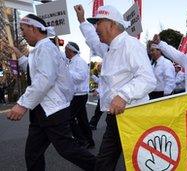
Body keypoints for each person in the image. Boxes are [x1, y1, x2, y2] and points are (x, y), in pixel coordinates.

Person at [5, 14, 96, 171]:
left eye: (23, 29)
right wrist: (19, 54)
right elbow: (33, 68)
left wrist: (22, 104)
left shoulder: (46, 48)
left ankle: (101, 167)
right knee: (33, 153)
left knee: (68, 150)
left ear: (33, 28)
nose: (22, 33)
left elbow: (45, 78)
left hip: (52, 111)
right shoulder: (41, 48)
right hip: (42, 111)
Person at [74, 4, 156, 170]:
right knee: (104, 163)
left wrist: (123, 95)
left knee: (143, 162)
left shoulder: (131, 45)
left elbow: (148, 78)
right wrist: (82, 21)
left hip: (134, 116)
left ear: (111, 24)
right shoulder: (109, 48)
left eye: (98, 22)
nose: (95, 27)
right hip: (115, 118)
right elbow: (93, 39)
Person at [65, 41, 94, 148]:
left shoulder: (79, 62)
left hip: (79, 95)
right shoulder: (71, 62)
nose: (64, 52)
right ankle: (89, 141)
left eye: (65, 50)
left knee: (69, 118)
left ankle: (82, 140)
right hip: (76, 95)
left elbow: (80, 77)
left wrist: (66, 73)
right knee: (82, 119)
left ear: (70, 50)